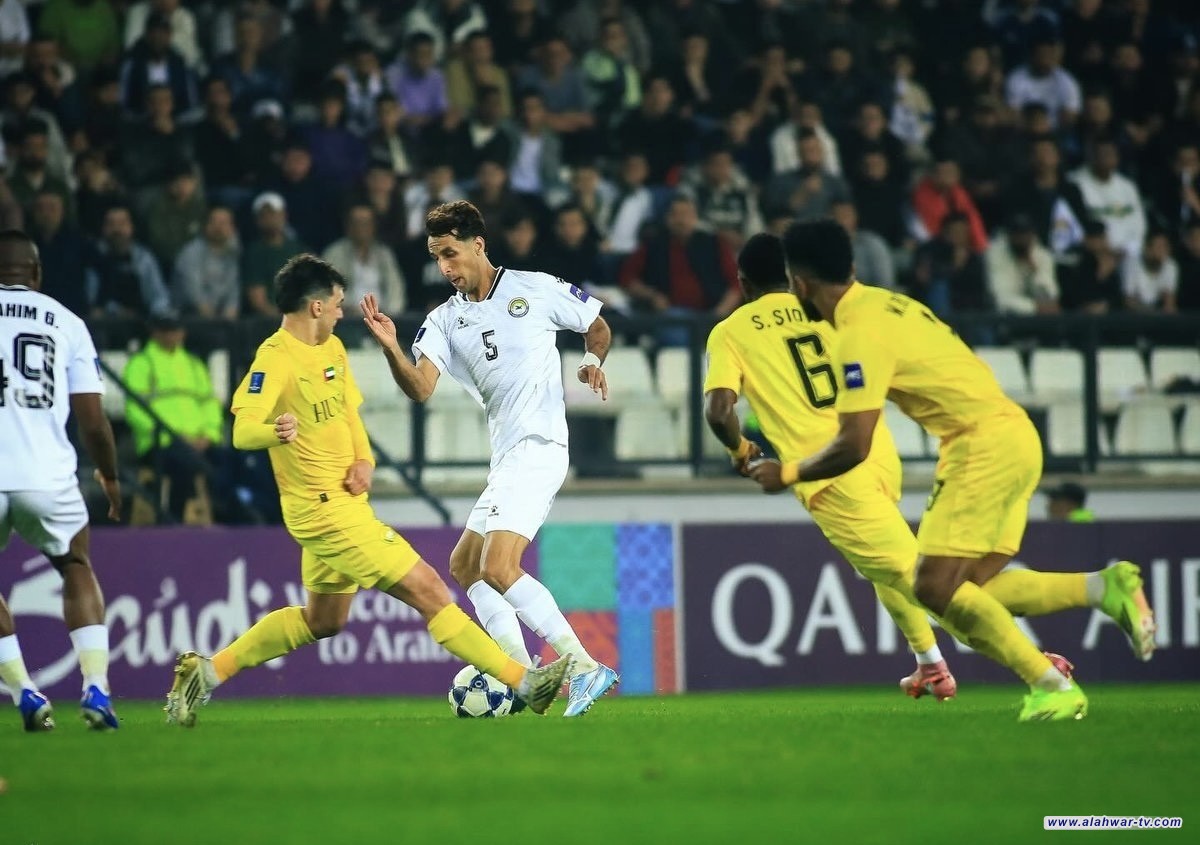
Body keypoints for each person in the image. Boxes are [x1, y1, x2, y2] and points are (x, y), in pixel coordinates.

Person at [751, 219, 1157, 722]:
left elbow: (854, 444)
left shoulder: (858, 335)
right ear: (852, 268)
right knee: (968, 595)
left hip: (978, 446)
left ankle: (1049, 684)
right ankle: (1103, 587)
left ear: (799, 284)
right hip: (1016, 435)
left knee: (933, 587)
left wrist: (788, 473)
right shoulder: (892, 304)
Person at [164, 254, 572, 727]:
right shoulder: (274, 359)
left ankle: (207, 674)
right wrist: (275, 430)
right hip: (325, 513)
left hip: (345, 503)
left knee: (324, 621)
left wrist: (365, 460)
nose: (341, 313)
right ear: (315, 306)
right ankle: (527, 682)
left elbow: (348, 415)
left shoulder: (331, 350)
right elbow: (241, 431)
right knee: (431, 591)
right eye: (336, 304)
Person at [359, 200, 619, 717]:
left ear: (479, 244)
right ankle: (525, 677)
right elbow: (420, 388)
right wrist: (391, 347)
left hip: (540, 445)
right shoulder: (444, 319)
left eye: (451, 254)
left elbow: (598, 325)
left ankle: (586, 668)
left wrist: (591, 361)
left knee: (499, 567)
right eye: (436, 258)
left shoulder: (535, 287)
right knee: (464, 565)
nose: (445, 268)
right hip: (507, 457)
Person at [704, 233, 959, 700]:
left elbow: (718, 411)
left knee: (916, 575)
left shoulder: (730, 331)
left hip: (827, 472)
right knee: (883, 568)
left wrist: (741, 450)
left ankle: (1026, 655)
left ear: (743, 283)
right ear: (791, 277)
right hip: (873, 448)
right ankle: (930, 665)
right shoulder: (826, 308)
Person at [0, 229, 122, 731]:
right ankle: (96, 689)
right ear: (37, 273)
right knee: (76, 566)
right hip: (48, 474)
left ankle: (25, 692)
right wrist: (110, 477)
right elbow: (92, 420)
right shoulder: (66, 322)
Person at [122, 311, 223, 524]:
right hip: (160, 442)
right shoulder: (142, 363)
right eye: (167, 330)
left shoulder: (194, 365)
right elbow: (135, 410)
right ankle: (173, 521)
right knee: (184, 465)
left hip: (199, 442)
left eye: (176, 330)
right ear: (155, 333)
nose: (173, 335)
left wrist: (209, 435)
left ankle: (238, 521)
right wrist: (172, 436)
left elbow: (210, 403)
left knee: (232, 460)